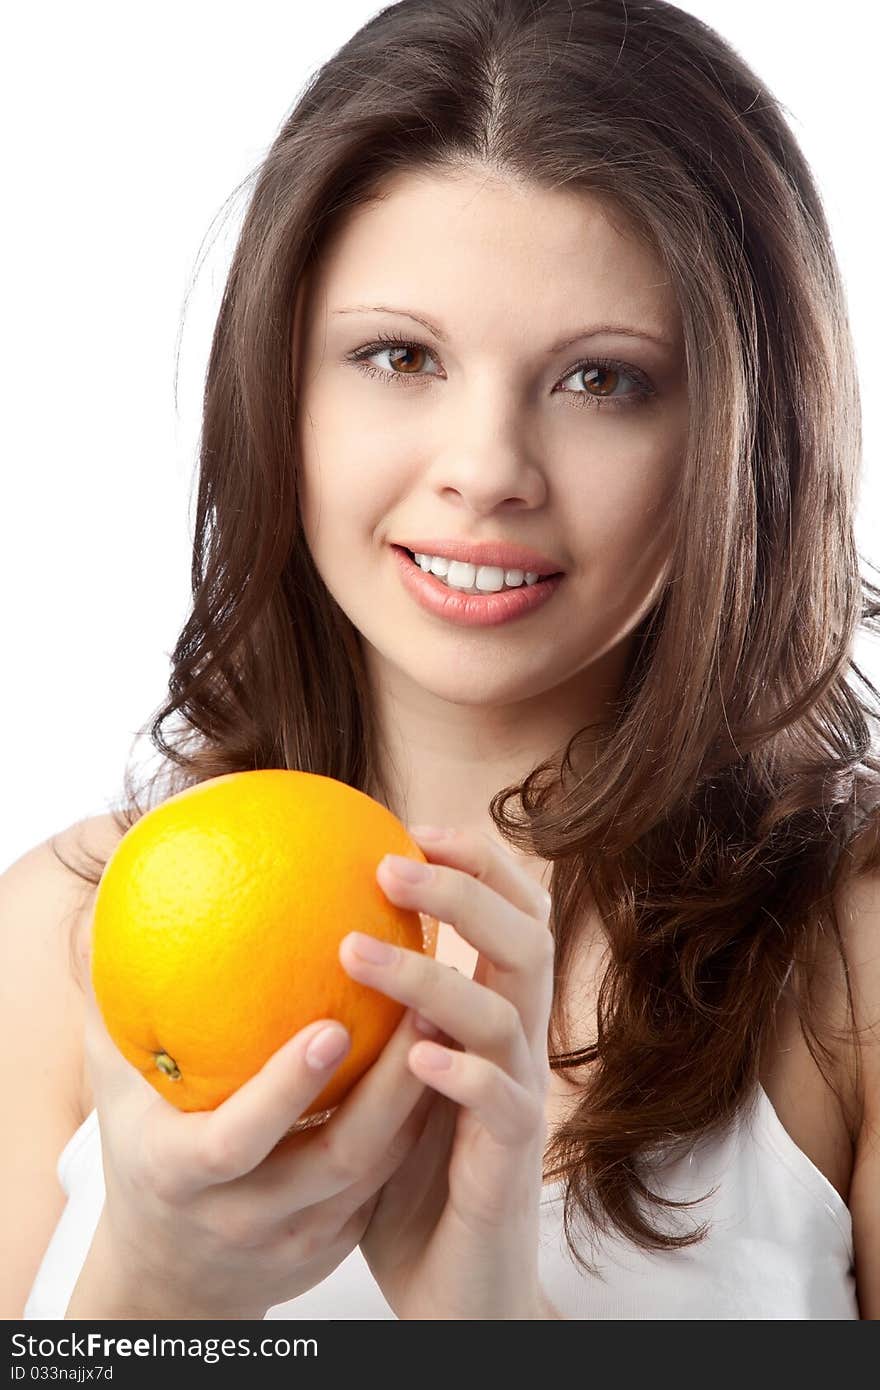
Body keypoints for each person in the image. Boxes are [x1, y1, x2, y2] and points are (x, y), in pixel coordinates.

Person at [4, 0, 879, 1321]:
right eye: (397, 355)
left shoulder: (852, 958)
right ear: (279, 386)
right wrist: (154, 1295)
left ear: (745, 436)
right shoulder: (64, 927)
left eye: (601, 380)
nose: (484, 470)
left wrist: (483, 1323)